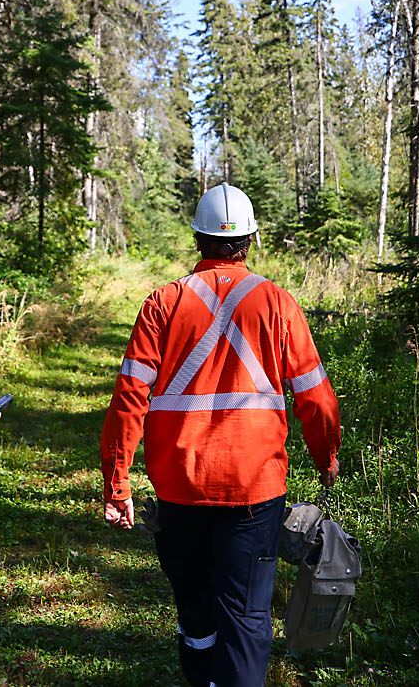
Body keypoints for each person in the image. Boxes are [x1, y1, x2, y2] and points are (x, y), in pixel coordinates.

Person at [100, 183, 341, 687]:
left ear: (197, 238)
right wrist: (326, 457)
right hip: (254, 490)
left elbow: (128, 400)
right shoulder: (277, 303)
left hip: (179, 487)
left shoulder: (161, 304)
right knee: (247, 614)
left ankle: (203, 677)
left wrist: (118, 483)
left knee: (194, 606)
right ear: (251, 239)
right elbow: (315, 398)